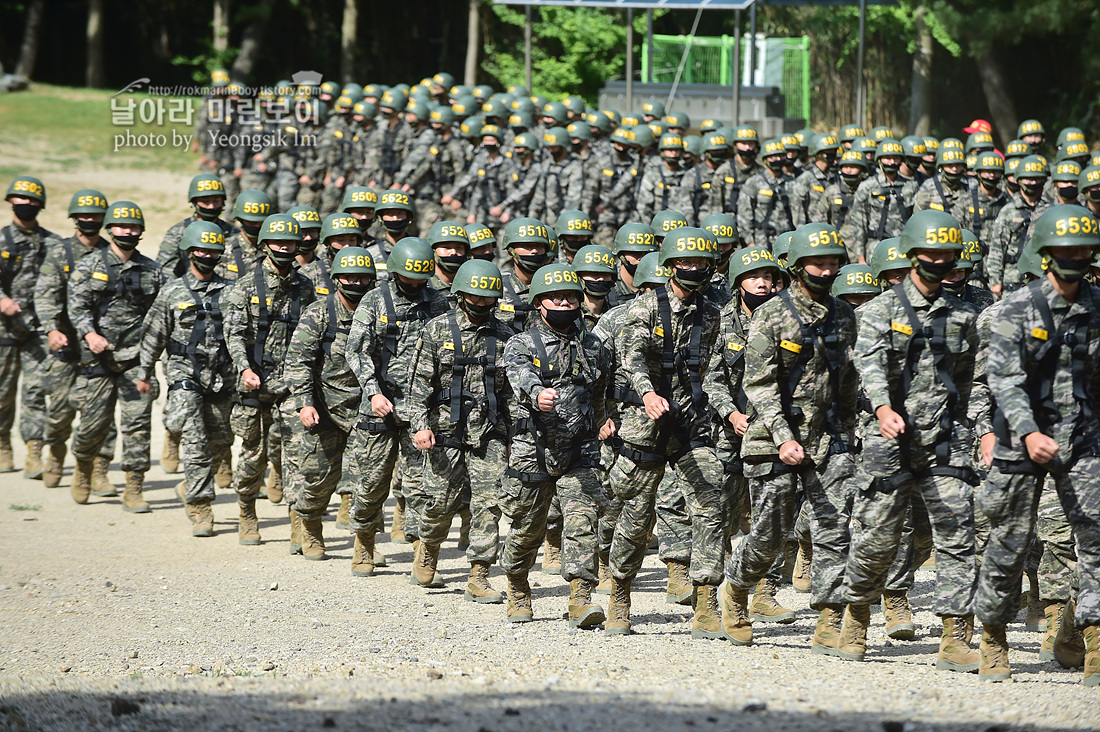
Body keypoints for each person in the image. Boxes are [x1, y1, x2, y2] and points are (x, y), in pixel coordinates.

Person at [842, 210, 983, 670]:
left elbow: (968, 378)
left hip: (946, 440)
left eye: (948, 254)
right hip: (888, 440)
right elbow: (866, 370)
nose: (940, 261)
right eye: (931, 253)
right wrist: (883, 409)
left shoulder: (964, 315)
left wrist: (971, 428)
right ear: (912, 255)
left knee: (957, 534)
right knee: (878, 537)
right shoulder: (877, 311)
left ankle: (954, 633)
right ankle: (857, 613)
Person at [720, 222, 859, 655]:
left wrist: (853, 433)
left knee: (834, 529)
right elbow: (758, 384)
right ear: (798, 266)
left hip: (830, 438)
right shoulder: (771, 314)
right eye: (818, 263)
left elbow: (851, 380)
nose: (826, 270)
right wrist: (783, 436)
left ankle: (829, 617)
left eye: (833, 263)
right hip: (772, 438)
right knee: (770, 532)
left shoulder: (844, 314)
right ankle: (738, 590)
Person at [977, 204, 1100, 685]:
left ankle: (1093, 643)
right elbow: (1004, 382)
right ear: (1046, 254)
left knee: (1094, 541)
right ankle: (993, 638)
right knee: (1008, 545)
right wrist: (1029, 432)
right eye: (1066, 249)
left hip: (1085, 440)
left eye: (1084, 249)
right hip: (1020, 440)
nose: (1076, 257)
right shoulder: (1016, 308)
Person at [606, 227, 726, 638]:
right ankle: (619, 595)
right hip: (646, 423)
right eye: (685, 263)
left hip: (692, 423)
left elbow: (718, 367)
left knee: (710, 503)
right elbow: (632, 357)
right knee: (636, 516)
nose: (693, 270)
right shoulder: (644, 310)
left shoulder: (713, 314)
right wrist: (646, 394)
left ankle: (707, 601)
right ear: (670, 266)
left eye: (700, 264)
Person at [500, 262, 613, 626]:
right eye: (555, 298)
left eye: (570, 297)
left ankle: (581, 598)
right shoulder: (521, 343)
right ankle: (518, 586)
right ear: (538, 303)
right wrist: (537, 394)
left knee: (582, 521)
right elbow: (521, 376)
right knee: (526, 528)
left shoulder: (593, 345)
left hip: (579, 450)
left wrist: (603, 419)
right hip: (533, 450)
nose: (564, 304)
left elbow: (600, 391)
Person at [408, 259, 514, 602]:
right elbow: (417, 386)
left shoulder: (505, 336)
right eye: (474, 296)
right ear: (459, 294)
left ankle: (479, 574)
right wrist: (420, 426)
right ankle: (428, 549)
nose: (481, 303)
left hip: (489, 433)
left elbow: (511, 391)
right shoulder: (436, 331)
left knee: (488, 503)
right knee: (440, 503)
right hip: (444, 430)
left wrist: (515, 432)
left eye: (487, 298)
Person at [345, 238, 449, 574]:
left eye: (422, 279)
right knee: (371, 483)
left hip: (420, 409)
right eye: (409, 279)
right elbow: (356, 351)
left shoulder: (437, 302)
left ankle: (422, 549)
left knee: (421, 484)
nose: (416, 286)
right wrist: (373, 391)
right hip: (380, 406)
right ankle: (364, 541)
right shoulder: (375, 301)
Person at [136, 221, 235, 537]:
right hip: (184, 376)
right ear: (190, 252)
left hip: (222, 378)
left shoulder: (233, 291)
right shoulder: (172, 291)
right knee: (195, 445)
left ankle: (189, 485)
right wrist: (144, 373)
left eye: (213, 250)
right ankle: (201, 507)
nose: (207, 255)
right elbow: (153, 334)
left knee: (221, 442)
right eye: (201, 250)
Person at [223, 213, 317, 545]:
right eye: (277, 242)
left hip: (290, 386)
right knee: (252, 454)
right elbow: (233, 334)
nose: (283, 248)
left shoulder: (305, 286)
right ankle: (247, 511)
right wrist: (244, 368)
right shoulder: (246, 286)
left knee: (297, 454)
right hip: (254, 382)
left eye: (289, 243)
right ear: (264, 245)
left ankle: (298, 521)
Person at [67, 201, 165, 511]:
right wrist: (89, 334)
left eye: (134, 227)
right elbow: (77, 306)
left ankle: (134, 487)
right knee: (93, 425)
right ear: (110, 229)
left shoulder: (152, 271)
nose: (128, 231)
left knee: (137, 426)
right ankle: (84, 467)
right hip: (97, 359)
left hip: (136, 360)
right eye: (123, 226)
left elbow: (159, 316)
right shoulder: (89, 266)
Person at [285, 246, 376, 559]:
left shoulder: (378, 311)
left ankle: (365, 543)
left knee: (369, 479)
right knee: (320, 479)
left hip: (366, 408)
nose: (355, 283)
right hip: (325, 409)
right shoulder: (320, 312)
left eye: (362, 277)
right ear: (336, 279)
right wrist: (305, 403)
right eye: (349, 276)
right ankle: (309, 523)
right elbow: (298, 360)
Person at [36, 190, 118, 490]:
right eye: (84, 215)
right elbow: (44, 295)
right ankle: (56, 453)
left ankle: (99, 468)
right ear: (74, 218)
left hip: (100, 350)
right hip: (66, 347)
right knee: (60, 410)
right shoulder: (60, 252)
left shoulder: (113, 254)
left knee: (104, 413)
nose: (90, 220)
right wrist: (51, 330)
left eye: (96, 216)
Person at [1, 175, 62, 477]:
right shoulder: (1, 241)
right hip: (4, 330)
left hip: (39, 330)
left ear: (41, 205)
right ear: (11, 202)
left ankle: (34, 451)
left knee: (37, 390)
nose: (26, 205)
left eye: (32, 201)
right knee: (2, 393)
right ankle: (2, 445)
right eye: (21, 199)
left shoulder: (53, 244)